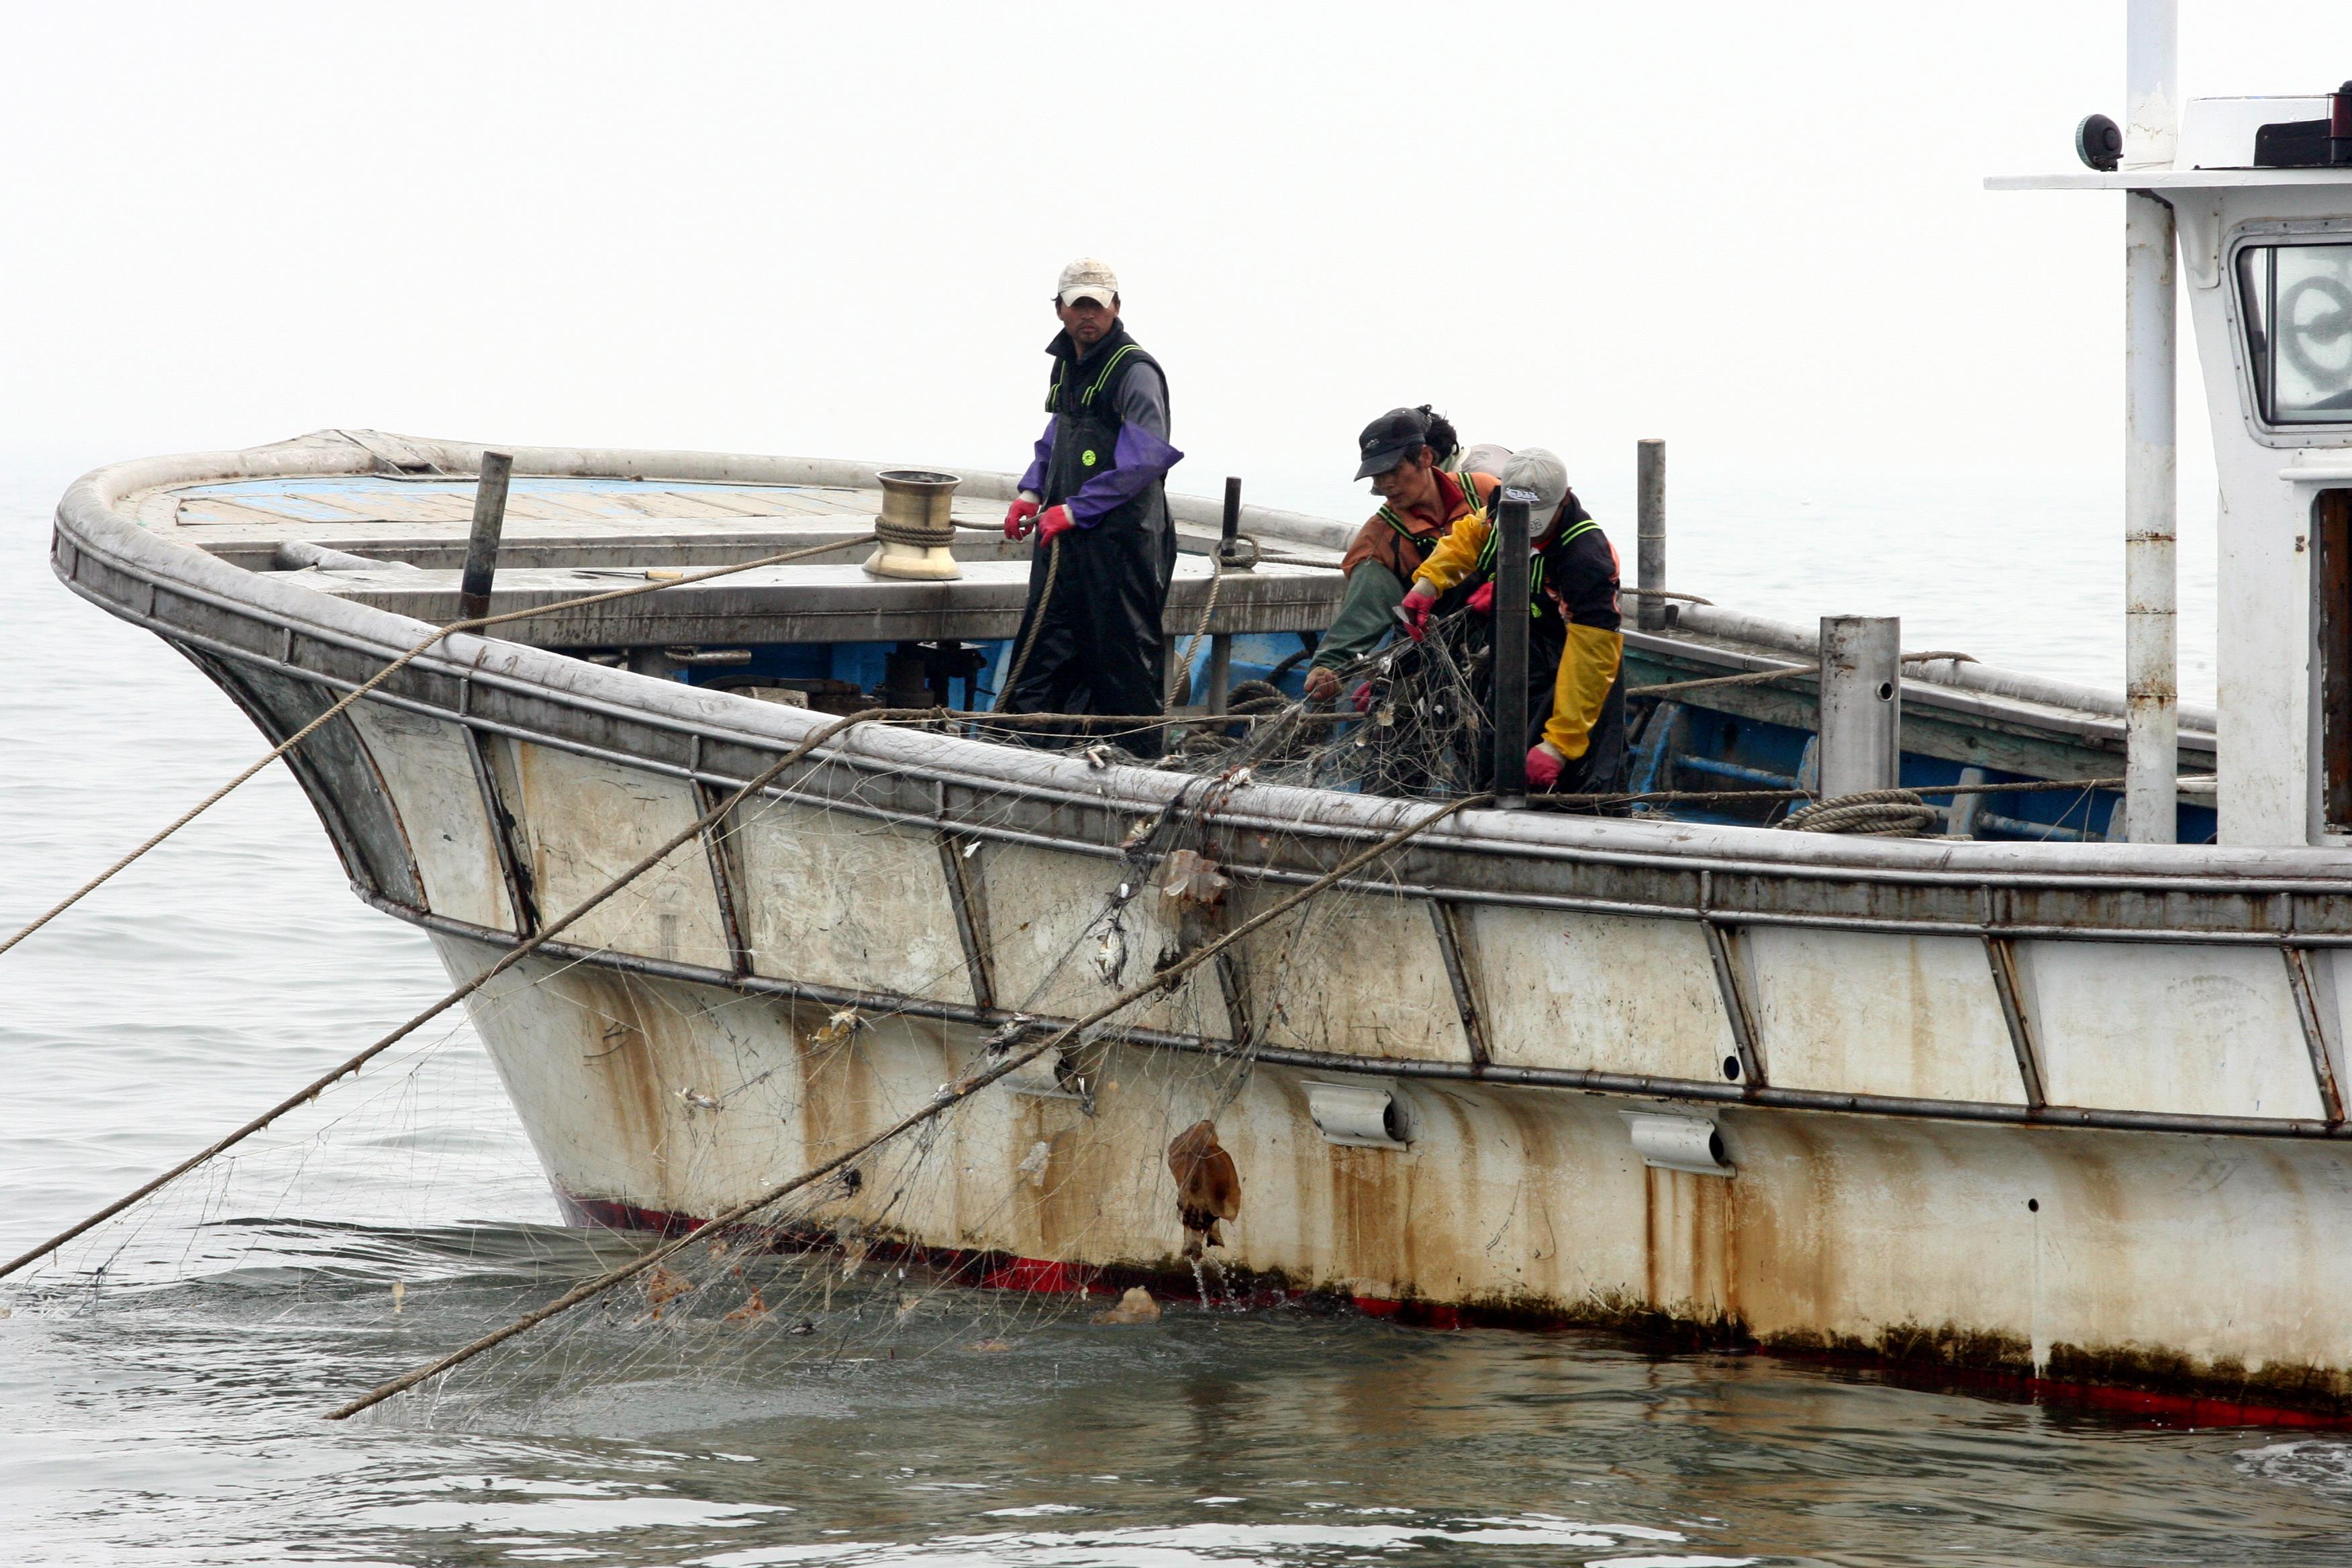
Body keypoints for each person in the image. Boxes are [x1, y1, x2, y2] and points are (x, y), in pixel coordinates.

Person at [999, 258, 1184, 752]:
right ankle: (1019, 757)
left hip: (1123, 546)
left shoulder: (1134, 371)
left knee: (1122, 663)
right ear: (1059, 309)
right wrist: (1031, 492)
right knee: (1045, 649)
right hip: (1066, 542)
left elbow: (1146, 457)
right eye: (1078, 305)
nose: (1088, 316)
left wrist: (1077, 509)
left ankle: (1138, 770)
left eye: (1097, 306)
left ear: (1116, 308)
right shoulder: (1067, 364)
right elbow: (1059, 433)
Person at [1398, 447, 1628, 795]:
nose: (1527, 532)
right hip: (1514, 662)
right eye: (1517, 516)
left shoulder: (1586, 559)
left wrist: (1559, 745)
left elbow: (1592, 657)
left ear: (1565, 499)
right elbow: (1466, 536)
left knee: (1575, 788)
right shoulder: (1494, 515)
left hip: (1572, 676)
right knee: (1493, 768)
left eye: (1537, 520)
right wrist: (1428, 583)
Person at [1300, 407, 1499, 703]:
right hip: (1439, 656)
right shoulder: (1378, 541)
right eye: (1377, 475)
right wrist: (1327, 666)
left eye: (1393, 471)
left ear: (1425, 458)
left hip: (1510, 635)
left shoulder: (1483, 491)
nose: (1385, 484)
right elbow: (1363, 611)